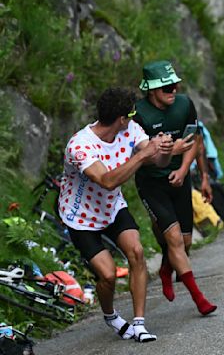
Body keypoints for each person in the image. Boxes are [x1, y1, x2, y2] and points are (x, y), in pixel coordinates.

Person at [58, 87, 173, 342]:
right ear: (121, 118)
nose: (133, 120)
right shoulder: (80, 146)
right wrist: (143, 155)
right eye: (130, 115)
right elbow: (107, 181)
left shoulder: (130, 129)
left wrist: (163, 149)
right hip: (80, 216)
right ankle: (110, 315)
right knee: (108, 275)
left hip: (111, 207)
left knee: (137, 252)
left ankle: (140, 324)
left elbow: (156, 159)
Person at [134, 60, 216, 316]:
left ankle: (166, 268)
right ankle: (200, 300)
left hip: (180, 178)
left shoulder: (184, 104)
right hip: (152, 183)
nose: (173, 90)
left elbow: (195, 139)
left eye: (175, 85)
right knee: (174, 239)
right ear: (151, 90)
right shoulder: (138, 114)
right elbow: (139, 155)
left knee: (186, 242)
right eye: (166, 87)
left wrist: (189, 172)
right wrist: (169, 153)